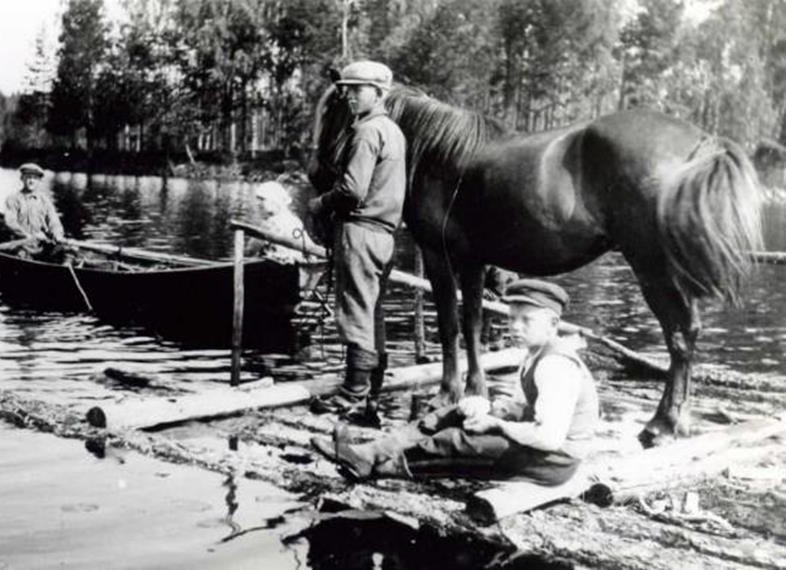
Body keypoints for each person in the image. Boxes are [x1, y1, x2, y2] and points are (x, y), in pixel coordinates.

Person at [311, 279, 599, 485]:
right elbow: (520, 406)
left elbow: (548, 437)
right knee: (452, 413)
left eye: (526, 320)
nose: (515, 327)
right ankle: (371, 452)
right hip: (540, 448)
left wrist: (497, 424)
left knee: (455, 441)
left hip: (555, 462)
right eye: (512, 318)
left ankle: (376, 469)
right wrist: (487, 408)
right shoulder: (534, 353)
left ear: (552, 323)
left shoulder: (555, 364)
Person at [307, 61, 407, 422]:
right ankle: (371, 395)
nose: (348, 95)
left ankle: (352, 395)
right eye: (347, 88)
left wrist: (319, 204)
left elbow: (351, 191)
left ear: (379, 93)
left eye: (357, 89)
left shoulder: (366, 132)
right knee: (373, 312)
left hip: (360, 232)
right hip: (385, 235)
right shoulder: (394, 131)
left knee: (354, 312)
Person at [4, 163, 65, 259]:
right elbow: (10, 223)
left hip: (40, 244)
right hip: (21, 244)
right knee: (22, 257)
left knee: (67, 250)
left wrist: (57, 234)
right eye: (28, 177)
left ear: (39, 181)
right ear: (22, 178)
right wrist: (27, 235)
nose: (31, 181)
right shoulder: (13, 199)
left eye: (34, 178)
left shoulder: (44, 200)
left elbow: (54, 221)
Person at [254, 181, 318, 264]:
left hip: (283, 266)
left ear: (274, 200)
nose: (258, 203)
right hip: (287, 263)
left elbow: (250, 250)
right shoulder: (294, 220)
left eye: (262, 199)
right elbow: (310, 248)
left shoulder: (272, 223)